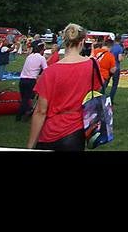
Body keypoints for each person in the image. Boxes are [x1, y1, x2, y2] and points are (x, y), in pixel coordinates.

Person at [27, 23, 100, 151]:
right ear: (82, 41)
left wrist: (30, 145)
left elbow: (40, 111)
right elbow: (94, 93)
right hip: (76, 130)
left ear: (64, 41)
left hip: (50, 131)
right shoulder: (92, 66)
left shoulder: (50, 71)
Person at [17, 40, 48, 122]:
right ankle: (20, 115)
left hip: (22, 79)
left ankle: (27, 110)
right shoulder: (41, 58)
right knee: (27, 98)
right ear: (41, 50)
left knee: (24, 98)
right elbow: (46, 70)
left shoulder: (29, 56)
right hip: (31, 80)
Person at [108, 34, 124, 103]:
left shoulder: (111, 47)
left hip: (109, 67)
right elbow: (119, 59)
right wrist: (122, 58)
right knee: (114, 85)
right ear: (120, 40)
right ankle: (111, 99)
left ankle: (100, 96)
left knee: (105, 83)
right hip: (116, 67)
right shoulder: (120, 48)